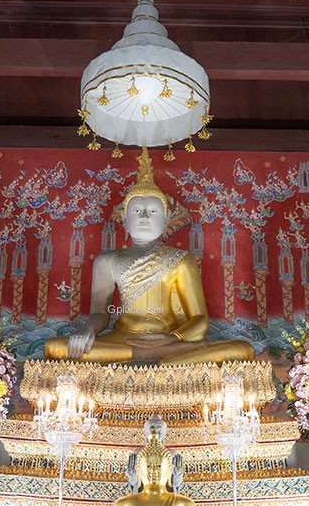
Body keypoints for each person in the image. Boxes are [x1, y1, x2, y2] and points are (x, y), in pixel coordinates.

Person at [43, 148, 254, 365]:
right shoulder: (107, 261)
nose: (144, 216)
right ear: (124, 219)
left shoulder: (182, 260)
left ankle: (152, 357)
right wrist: (87, 329)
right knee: (55, 347)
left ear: (166, 220)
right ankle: (156, 360)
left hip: (170, 340)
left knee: (241, 349)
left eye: (153, 211)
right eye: (136, 211)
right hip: (124, 339)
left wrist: (173, 338)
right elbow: (101, 314)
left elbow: (200, 321)